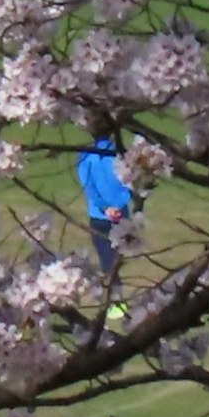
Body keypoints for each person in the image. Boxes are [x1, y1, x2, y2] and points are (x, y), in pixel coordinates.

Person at [76, 135, 135, 321]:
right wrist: (118, 205)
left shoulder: (86, 156)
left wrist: (105, 208)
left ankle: (115, 301)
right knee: (116, 258)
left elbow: (89, 188)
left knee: (108, 261)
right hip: (119, 213)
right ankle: (114, 300)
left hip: (100, 217)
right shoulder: (119, 151)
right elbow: (130, 180)